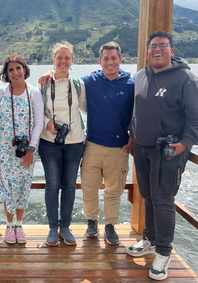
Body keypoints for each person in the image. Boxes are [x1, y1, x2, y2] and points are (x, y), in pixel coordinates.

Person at [126, 31, 198, 281]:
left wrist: (182, 146)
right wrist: (132, 135)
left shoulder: (185, 79)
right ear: (147, 52)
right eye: (153, 47)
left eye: (163, 46)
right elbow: (135, 111)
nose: (157, 50)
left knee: (163, 200)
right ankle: (150, 238)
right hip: (141, 148)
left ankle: (163, 253)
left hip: (168, 152)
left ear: (172, 50)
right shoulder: (140, 75)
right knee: (148, 196)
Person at [80, 42, 134, 245]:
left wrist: (132, 140)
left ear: (120, 59)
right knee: (89, 187)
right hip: (93, 144)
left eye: (113, 58)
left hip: (119, 147)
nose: (110, 62)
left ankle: (110, 225)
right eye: (106, 58)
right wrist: (50, 73)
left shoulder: (131, 84)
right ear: (99, 60)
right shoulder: (90, 81)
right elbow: (66, 80)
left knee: (114, 190)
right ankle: (91, 221)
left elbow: (138, 115)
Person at [0, 55, 44, 244]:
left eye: (18, 68)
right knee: (7, 187)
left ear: (25, 69)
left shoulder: (34, 93)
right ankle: (9, 224)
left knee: (22, 187)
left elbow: (39, 124)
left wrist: (31, 149)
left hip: (27, 151)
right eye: (10, 70)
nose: (15, 72)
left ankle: (19, 224)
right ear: (6, 74)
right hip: (4, 150)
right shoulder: (0, 92)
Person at [38, 41, 87, 247]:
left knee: (69, 186)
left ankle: (64, 227)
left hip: (75, 141)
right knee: (52, 185)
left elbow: (86, 108)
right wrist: (47, 123)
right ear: (53, 60)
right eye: (59, 58)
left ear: (72, 60)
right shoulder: (42, 83)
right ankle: (52, 227)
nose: (63, 61)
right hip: (49, 141)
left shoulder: (78, 84)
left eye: (67, 58)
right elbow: (36, 109)